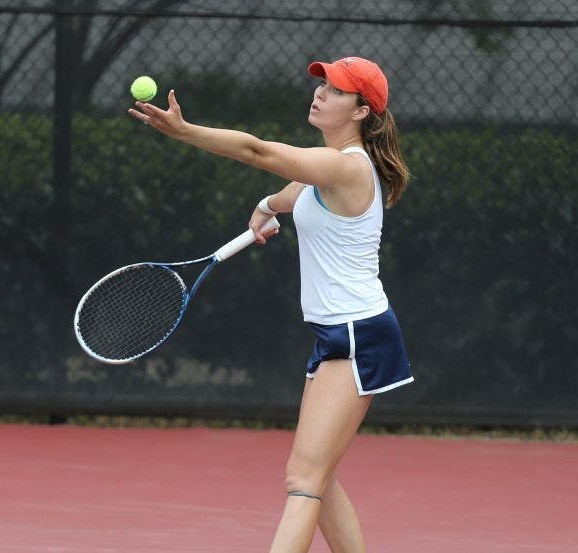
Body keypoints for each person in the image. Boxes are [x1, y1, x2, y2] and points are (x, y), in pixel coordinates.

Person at [128, 55, 413, 553]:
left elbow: (258, 151)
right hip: (336, 335)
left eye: (336, 90)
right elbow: (288, 194)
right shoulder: (322, 171)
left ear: (361, 111)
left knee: (304, 479)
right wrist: (264, 208)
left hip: (358, 336)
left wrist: (185, 131)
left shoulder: (344, 166)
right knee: (321, 477)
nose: (321, 93)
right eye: (321, 84)